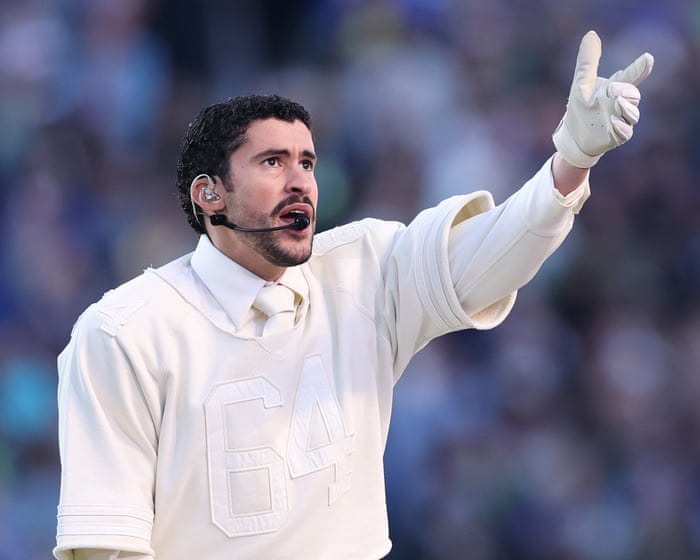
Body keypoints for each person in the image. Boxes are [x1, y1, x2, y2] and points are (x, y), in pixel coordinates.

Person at [54, 31, 653, 560]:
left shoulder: (363, 269)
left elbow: (489, 257)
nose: (301, 182)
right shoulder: (123, 332)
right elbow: (108, 545)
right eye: (273, 162)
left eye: (308, 163)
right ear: (209, 195)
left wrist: (572, 161)